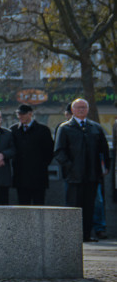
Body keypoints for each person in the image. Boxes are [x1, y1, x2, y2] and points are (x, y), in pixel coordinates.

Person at [54, 98, 110, 242]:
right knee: (73, 207)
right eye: (78, 107)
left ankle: (86, 235)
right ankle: (72, 236)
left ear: (88, 109)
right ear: (72, 110)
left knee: (89, 206)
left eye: (84, 107)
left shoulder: (95, 128)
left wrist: (105, 167)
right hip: (74, 176)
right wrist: (70, 167)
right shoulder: (65, 128)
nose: (81, 110)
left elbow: (104, 150)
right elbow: (59, 151)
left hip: (92, 175)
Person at [11, 104, 55, 206]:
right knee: (23, 205)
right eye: (18, 114)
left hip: (38, 176)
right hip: (20, 176)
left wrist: (41, 165)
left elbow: (49, 151)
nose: (20, 116)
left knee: (39, 204)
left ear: (30, 114)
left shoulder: (43, 130)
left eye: (22, 114)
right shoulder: (13, 130)